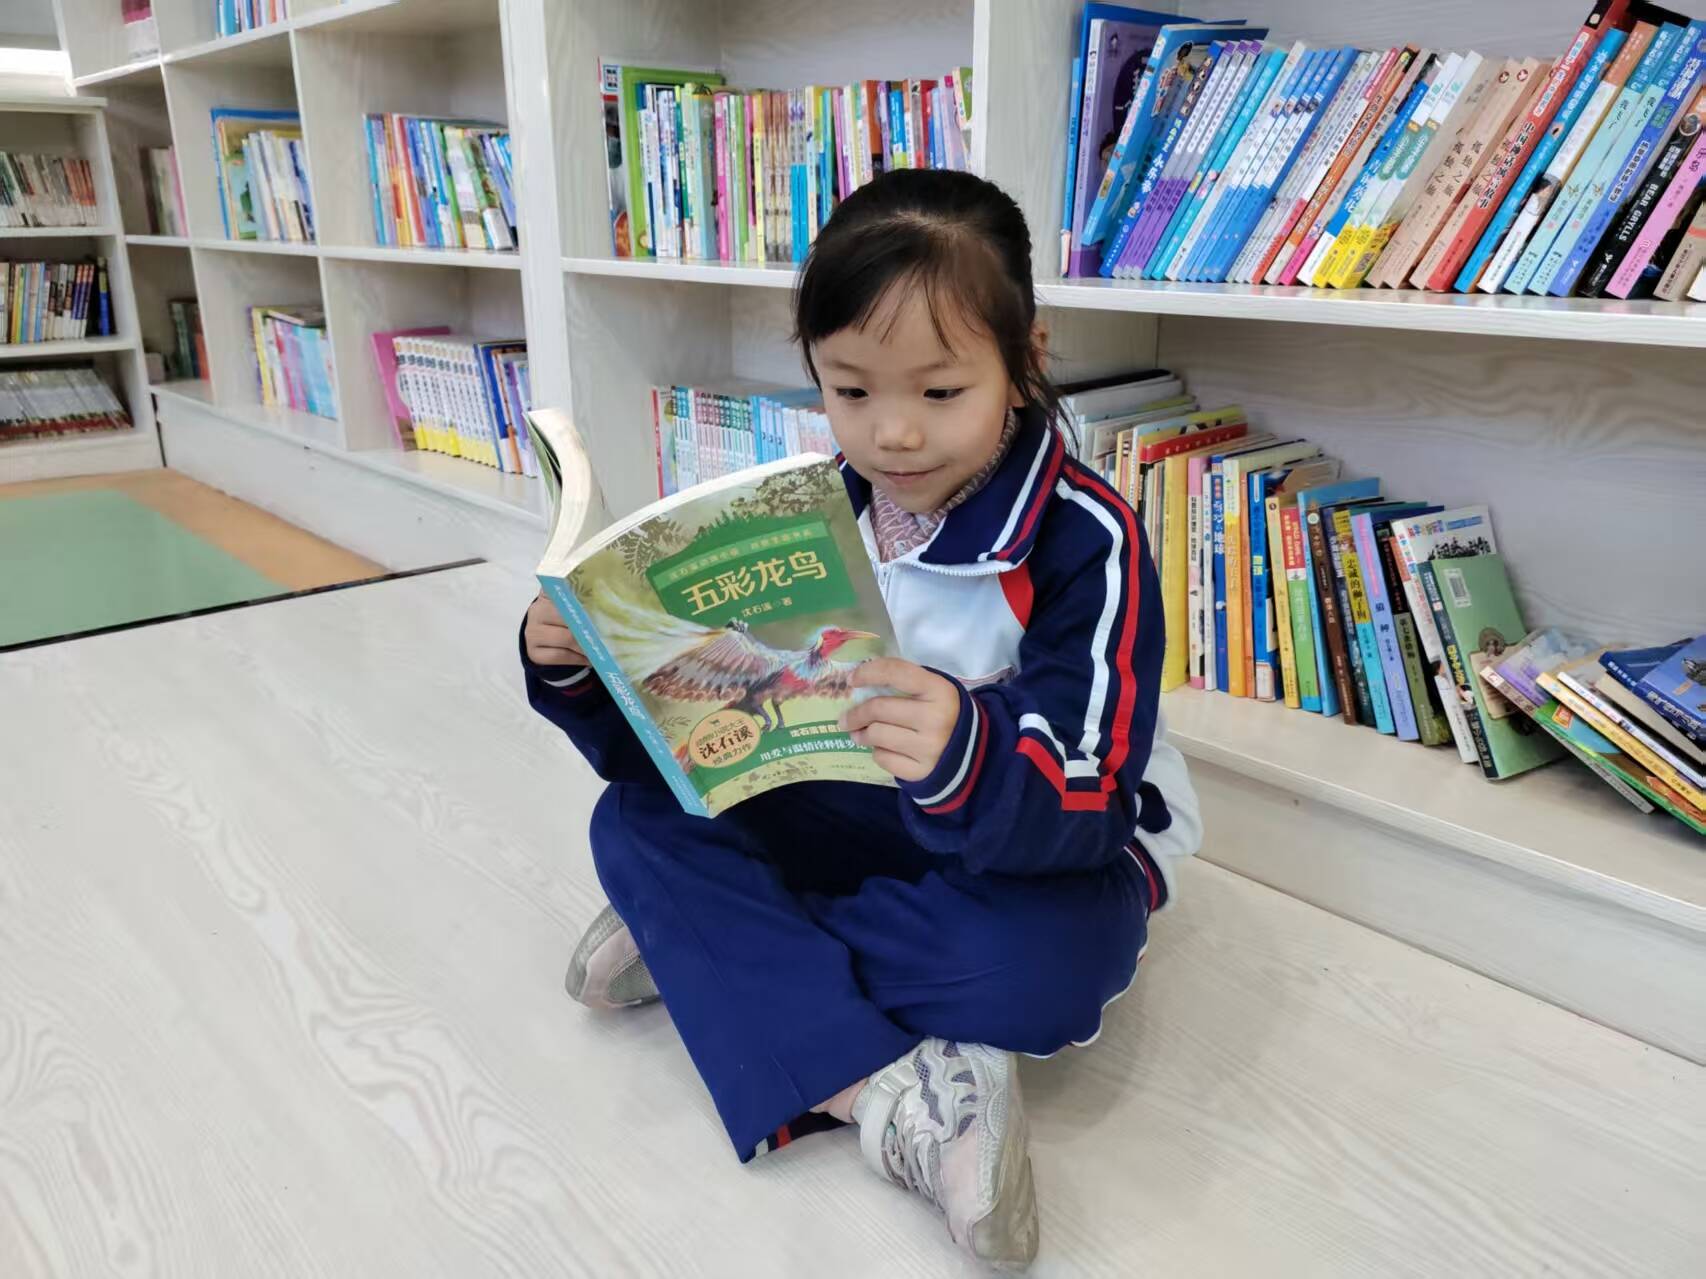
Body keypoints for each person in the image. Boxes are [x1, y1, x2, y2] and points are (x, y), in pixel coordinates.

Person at [520, 168, 1201, 1269]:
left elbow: (1092, 789)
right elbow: (690, 751)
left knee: (1047, 966)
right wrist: (584, 666)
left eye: (940, 391)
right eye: (848, 390)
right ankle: (888, 1092)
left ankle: (716, 948)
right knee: (634, 824)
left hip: (1036, 836)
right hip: (842, 804)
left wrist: (967, 745)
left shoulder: (1088, 538)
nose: (891, 433)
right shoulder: (802, 509)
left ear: (1024, 358)